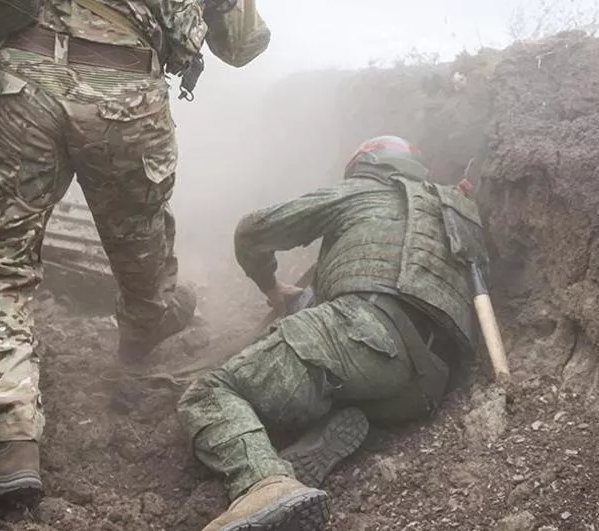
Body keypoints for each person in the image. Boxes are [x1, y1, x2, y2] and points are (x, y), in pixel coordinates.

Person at [0, 0, 270, 505]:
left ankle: (6, 437)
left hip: (22, 80)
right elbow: (238, 44)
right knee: (139, 243)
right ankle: (145, 327)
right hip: (128, 93)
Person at [177, 136, 483, 531]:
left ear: (367, 164)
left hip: (363, 333)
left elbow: (252, 231)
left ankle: (266, 484)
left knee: (211, 394)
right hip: (424, 389)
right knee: (321, 381)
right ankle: (318, 438)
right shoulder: (454, 214)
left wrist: (272, 288)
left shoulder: (364, 190)